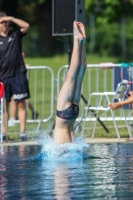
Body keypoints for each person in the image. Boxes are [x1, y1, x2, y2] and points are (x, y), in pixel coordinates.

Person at [53, 21, 86, 145]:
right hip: (65, 116)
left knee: (80, 75)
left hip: (72, 114)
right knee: (71, 76)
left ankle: (82, 41)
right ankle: (78, 39)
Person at [0, 12, 30, 141]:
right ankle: (4, 133)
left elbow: (26, 25)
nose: (4, 24)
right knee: (4, 106)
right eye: (1, 22)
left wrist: (10, 18)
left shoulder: (15, 34)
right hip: (3, 77)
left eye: (5, 22)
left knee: (21, 104)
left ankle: (22, 133)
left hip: (18, 74)